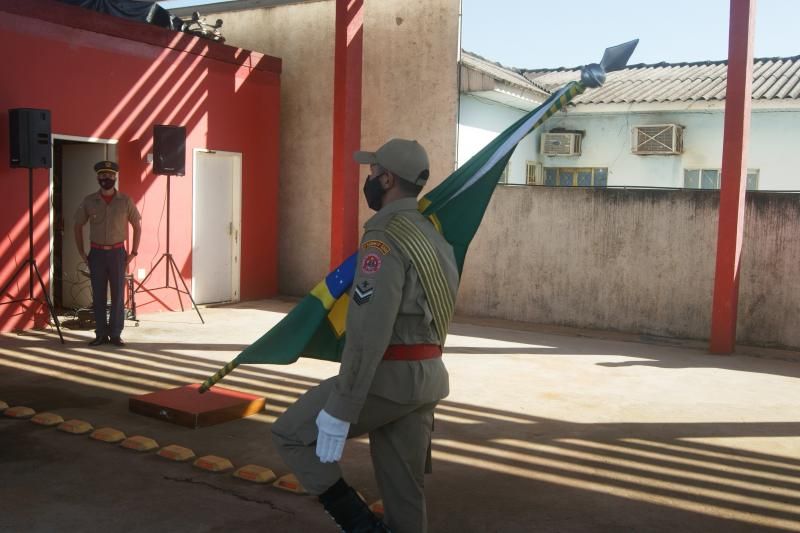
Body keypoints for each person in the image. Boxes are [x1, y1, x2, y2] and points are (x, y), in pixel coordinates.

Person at [272, 139, 459, 533]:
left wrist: (343, 407)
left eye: (372, 173)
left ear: (387, 178)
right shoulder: (433, 236)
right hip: (427, 377)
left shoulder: (384, 238)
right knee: (403, 494)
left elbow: (367, 330)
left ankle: (360, 525)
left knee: (290, 434)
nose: (370, 180)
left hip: (387, 379)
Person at [74, 161, 142, 347]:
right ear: (98, 178)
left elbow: (137, 225)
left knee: (118, 296)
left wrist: (133, 252)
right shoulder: (89, 201)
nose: (106, 179)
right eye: (103, 175)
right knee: (99, 296)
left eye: (110, 175)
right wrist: (81, 252)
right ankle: (101, 334)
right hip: (96, 254)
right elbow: (77, 225)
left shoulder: (125, 201)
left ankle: (115, 334)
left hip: (117, 254)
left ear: (115, 177)